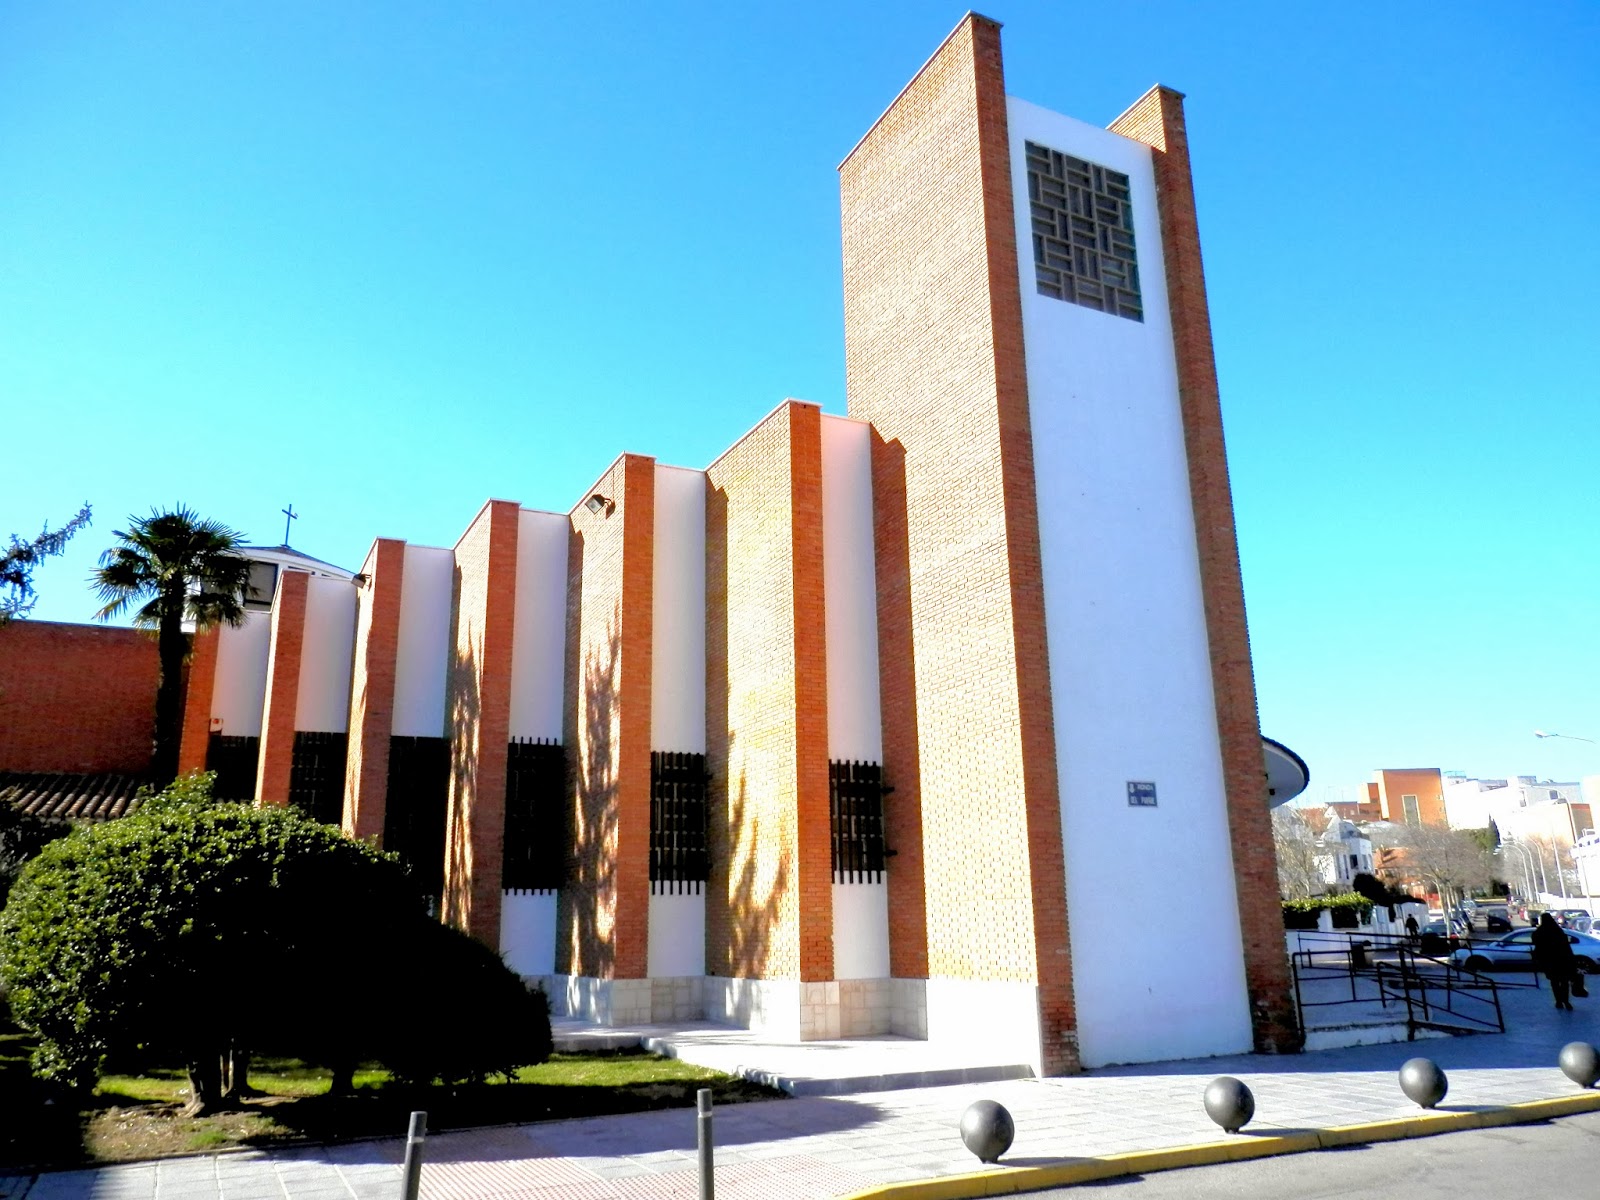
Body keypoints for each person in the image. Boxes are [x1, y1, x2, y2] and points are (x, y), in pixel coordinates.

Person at [1533, 912, 1578, 1011]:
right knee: (1564, 982)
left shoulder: (1539, 932)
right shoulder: (1558, 931)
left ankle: (1558, 1001)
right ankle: (1566, 1001)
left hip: (1549, 962)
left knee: (1554, 982)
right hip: (1562, 960)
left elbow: (1537, 945)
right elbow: (1566, 946)